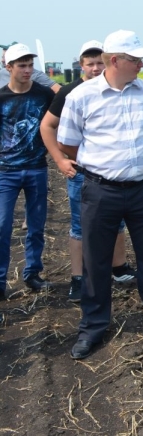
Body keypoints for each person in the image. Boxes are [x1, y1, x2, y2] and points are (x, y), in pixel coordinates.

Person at [57, 30, 143, 360]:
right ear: (115, 60)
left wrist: (131, 164)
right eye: (135, 59)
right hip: (100, 190)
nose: (141, 64)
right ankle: (93, 326)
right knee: (96, 260)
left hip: (142, 187)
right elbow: (67, 143)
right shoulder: (82, 97)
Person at [40, 41, 137, 304]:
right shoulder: (71, 92)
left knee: (118, 221)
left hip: (111, 174)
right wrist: (60, 160)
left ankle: (119, 269)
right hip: (82, 172)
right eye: (89, 63)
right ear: (81, 65)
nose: (95, 68)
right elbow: (47, 126)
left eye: (99, 63)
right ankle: (78, 278)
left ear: (108, 62)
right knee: (79, 226)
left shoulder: (120, 89)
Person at [0, 43, 55, 299]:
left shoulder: (45, 95)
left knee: (36, 225)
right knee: (2, 225)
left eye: (31, 65)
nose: (27, 70)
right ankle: (1, 280)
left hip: (36, 168)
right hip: (5, 172)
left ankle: (32, 273)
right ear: (8, 67)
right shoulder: (1, 98)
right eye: (22, 65)